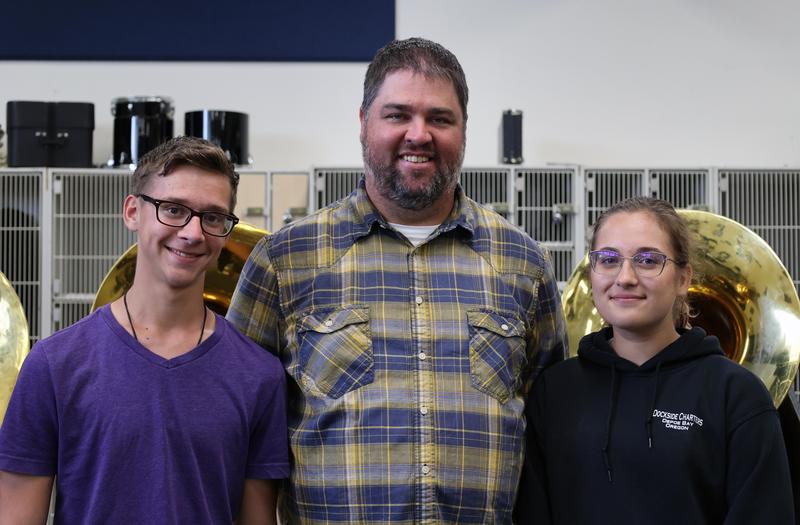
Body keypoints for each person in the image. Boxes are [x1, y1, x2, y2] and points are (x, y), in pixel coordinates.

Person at [226, 37, 566, 523]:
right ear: (363, 123)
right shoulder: (285, 260)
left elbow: (548, 437)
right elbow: (243, 435)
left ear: (463, 131)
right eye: (397, 114)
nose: (419, 134)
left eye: (440, 118)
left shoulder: (521, 262)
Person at [0, 136, 289, 524]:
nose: (193, 233)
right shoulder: (53, 365)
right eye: (173, 209)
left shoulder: (259, 375)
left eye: (213, 217)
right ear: (133, 212)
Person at [516, 196, 794, 524]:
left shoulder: (737, 394)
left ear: (683, 279)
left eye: (648, 260)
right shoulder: (555, 390)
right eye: (608, 259)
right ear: (593, 275)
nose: (625, 277)